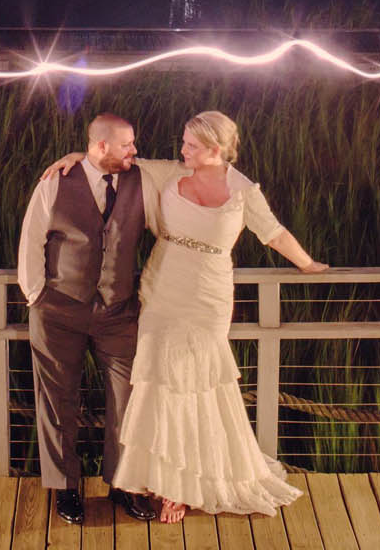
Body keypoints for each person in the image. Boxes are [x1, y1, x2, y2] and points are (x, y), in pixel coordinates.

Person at [44, 110, 327, 523]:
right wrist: (77, 153)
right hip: (162, 289)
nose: (182, 150)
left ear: (215, 150)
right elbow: (118, 161)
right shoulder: (168, 173)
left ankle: (190, 484)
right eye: (184, 142)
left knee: (199, 385)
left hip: (209, 294)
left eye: (192, 145)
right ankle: (160, 483)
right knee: (158, 384)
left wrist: (307, 265)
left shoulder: (243, 190)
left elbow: (273, 232)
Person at [16, 114, 159, 525]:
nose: (134, 150)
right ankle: (66, 487)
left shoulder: (140, 179)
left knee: (128, 398)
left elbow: (184, 172)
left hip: (118, 311)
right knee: (58, 402)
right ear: (101, 147)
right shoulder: (54, 182)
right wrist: (36, 295)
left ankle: (123, 484)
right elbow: (32, 238)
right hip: (58, 310)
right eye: (127, 144)